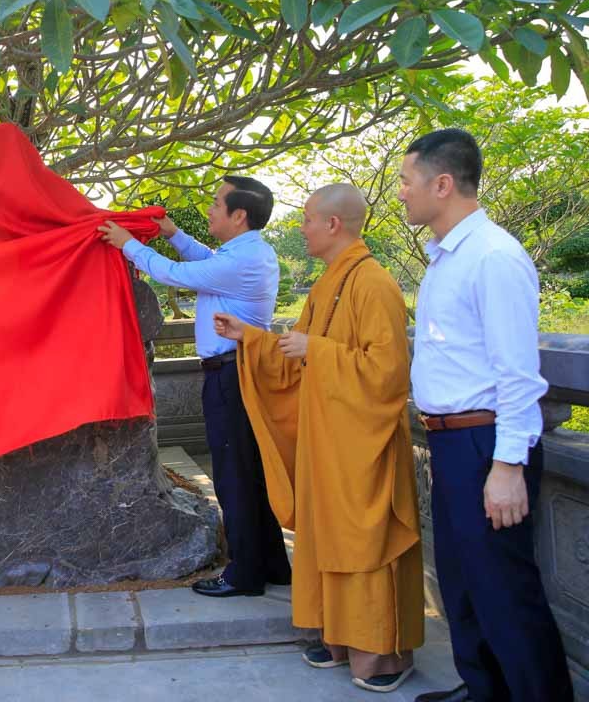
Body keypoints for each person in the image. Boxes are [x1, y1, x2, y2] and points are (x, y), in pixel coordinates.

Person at [215, 184, 424, 693]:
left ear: (333, 225)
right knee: (327, 537)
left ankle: (381, 656)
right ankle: (338, 637)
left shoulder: (373, 283)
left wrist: (318, 350)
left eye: (307, 219)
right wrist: (253, 338)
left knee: (364, 543)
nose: (301, 227)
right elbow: (299, 355)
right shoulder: (330, 281)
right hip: (327, 439)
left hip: (362, 444)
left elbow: (389, 374)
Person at [399, 129, 573, 702]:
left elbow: (518, 375)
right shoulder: (447, 257)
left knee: (504, 589)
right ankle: (484, 690)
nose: (400, 192)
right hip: (452, 445)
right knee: (463, 584)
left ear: (442, 184)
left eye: (406, 181)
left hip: (486, 442)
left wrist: (507, 466)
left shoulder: (494, 256)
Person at [98, 177, 291, 597]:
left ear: (239, 215)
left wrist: (126, 243)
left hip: (232, 375)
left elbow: (177, 274)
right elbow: (203, 261)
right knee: (248, 472)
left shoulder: (243, 260)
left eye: (217, 203)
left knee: (234, 474)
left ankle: (244, 574)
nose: (210, 210)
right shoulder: (244, 253)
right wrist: (173, 234)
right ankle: (271, 562)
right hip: (234, 371)